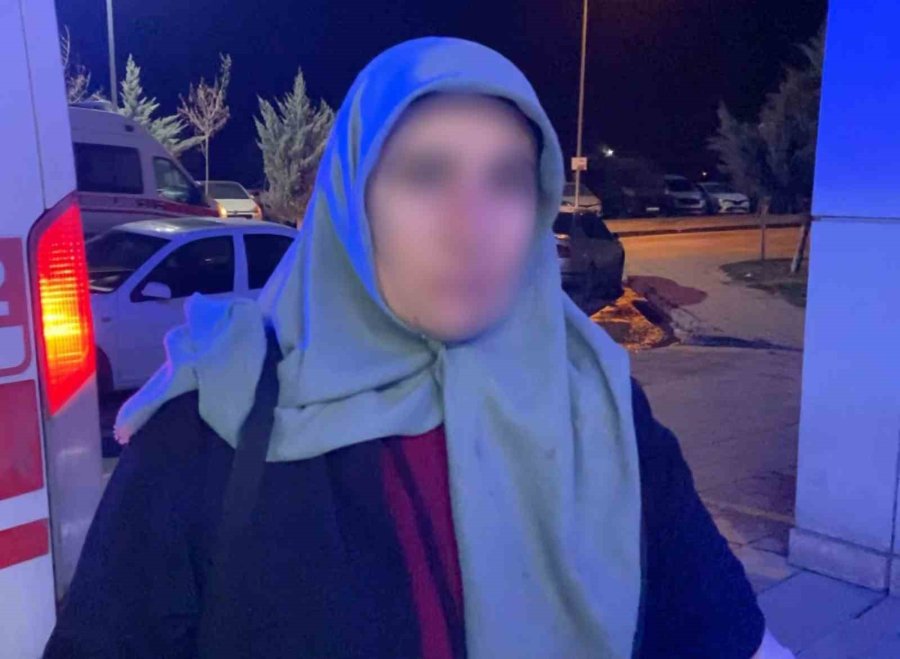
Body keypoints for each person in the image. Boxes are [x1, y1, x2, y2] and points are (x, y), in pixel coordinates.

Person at [44, 37, 793, 658]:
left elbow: (722, 633)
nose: (470, 225)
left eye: (506, 179)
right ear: (353, 203)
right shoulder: (214, 426)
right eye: (425, 174)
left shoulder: (600, 405)